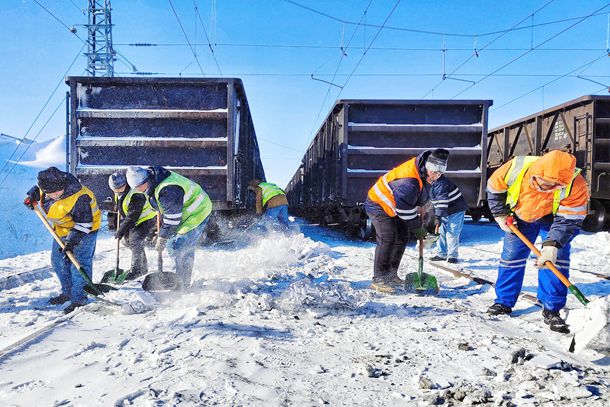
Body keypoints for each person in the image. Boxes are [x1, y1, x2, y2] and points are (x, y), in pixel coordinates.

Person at [486, 150, 589, 333]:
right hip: (522, 216)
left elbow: (570, 219)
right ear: (535, 174)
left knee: (555, 260)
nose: (547, 189)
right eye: (542, 185)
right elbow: (494, 188)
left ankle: (552, 308)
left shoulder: (576, 183)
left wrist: (552, 245)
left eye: (553, 186)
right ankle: (503, 302)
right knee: (512, 258)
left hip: (555, 220)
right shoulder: (515, 167)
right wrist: (500, 214)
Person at [364, 149, 448, 293]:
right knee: (387, 238)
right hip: (378, 204)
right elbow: (404, 211)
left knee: (402, 237)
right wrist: (418, 228)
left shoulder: (424, 172)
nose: (436, 177)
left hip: (396, 204)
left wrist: (423, 206)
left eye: (439, 174)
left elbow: (421, 194)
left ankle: (391, 274)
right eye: (434, 173)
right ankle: (379, 278)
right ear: (427, 167)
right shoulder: (408, 181)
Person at [23, 167, 101, 313]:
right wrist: (31, 197)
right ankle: (67, 292)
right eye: (49, 193)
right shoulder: (47, 188)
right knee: (58, 261)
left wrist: (71, 242)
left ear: (62, 185)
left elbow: (84, 223)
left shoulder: (79, 197)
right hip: (63, 229)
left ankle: (79, 298)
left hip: (84, 230)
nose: (54, 195)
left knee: (78, 263)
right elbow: (36, 190)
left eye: (57, 192)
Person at [126, 166, 212, 290]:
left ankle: (183, 283)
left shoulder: (168, 189)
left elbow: (172, 218)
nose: (139, 190)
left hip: (197, 211)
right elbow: (164, 209)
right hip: (182, 213)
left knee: (183, 247)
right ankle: (177, 275)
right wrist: (161, 232)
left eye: (139, 186)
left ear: (146, 180)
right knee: (172, 246)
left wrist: (162, 237)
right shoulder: (154, 183)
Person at [108, 171, 157, 280]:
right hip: (135, 218)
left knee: (135, 240)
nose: (117, 191)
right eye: (115, 189)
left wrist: (120, 230)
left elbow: (132, 216)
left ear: (126, 184)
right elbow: (122, 209)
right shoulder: (119, 193)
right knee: (129, 241)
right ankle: (143, 267)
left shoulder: (136, 195)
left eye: (120, 187)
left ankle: (137, 270)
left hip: (147, 217)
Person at [429, 174, 468, 264]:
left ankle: (452, 256)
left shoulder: (442, 184)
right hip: (445, 210)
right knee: (441, 231)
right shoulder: (432, 185)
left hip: (456, 209)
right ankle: (441, 254)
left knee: (452, 232)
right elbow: (436, 203)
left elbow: (442, 202)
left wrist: (437, 217)